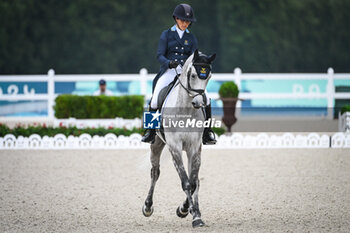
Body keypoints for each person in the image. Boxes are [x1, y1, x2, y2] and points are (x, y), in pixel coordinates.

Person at [141, 3, 216, 145]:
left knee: (207, 98)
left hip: (186, 74)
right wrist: (169, 63)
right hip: (169, 71)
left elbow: (195, 57)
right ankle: (150, 132)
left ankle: (207, 132)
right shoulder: (166, 35)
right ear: (176, 18)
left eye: (188, 21)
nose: (185, 23)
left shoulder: (192, 38)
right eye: (183, 20)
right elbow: (159, 55)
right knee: (155, 99)